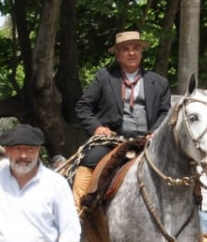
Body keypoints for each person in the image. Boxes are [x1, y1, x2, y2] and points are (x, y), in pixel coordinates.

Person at [72, 31, 171, 212]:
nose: (131, 53)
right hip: (113, 141)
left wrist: (155, 131)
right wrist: (97, 127)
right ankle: (77, 213)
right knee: (89, 161)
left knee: (181, 165)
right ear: (117, 55)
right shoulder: (104, 77)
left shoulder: (159, 82)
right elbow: (83, 107)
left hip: (148, 141)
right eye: (125, 49)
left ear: (141, 52)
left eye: (136, 48)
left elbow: (166, 112)